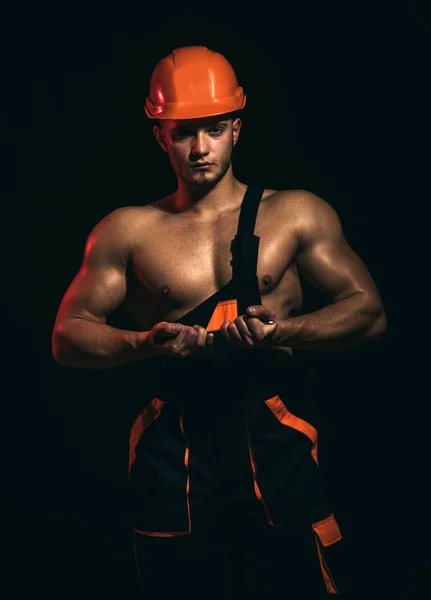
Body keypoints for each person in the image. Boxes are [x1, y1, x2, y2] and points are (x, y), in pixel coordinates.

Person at [52, 45, 387, 599]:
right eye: (183, 132)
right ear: (161, 136)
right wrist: (146, 341)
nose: (200, 147)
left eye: (213, 129)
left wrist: (284, 331)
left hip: (272, 433)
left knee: (296, 580)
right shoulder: (127, 230)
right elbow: (68, 335)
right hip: (172, 445)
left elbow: (369, 314)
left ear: (236, 127)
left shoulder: (295, 213)